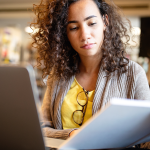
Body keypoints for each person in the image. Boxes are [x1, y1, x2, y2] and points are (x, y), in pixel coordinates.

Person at [31, 0, 150, 148]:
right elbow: (42, 128)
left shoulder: (133, 73)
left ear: (105, 21)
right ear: (64, 33)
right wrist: (70, 134)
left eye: (92, 23)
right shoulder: (58, 75)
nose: (84, 35)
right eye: (74, 27)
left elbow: (146, 136)